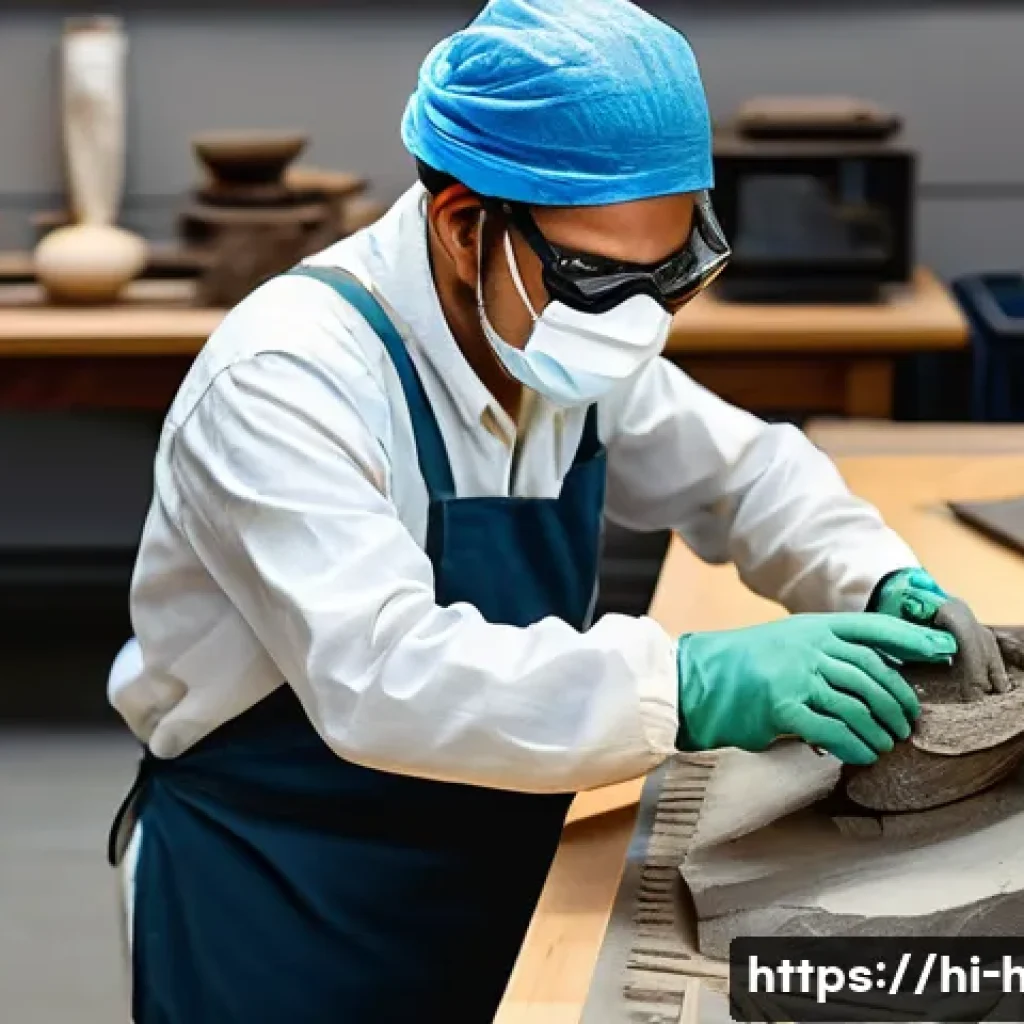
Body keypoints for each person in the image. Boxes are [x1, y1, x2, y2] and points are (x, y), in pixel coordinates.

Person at [107, 1, 991, 1021]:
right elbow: (384, 676)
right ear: (460, 224)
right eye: (603, 275)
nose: (638, 317)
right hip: (286, 890)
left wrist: (875, 575)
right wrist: (691, 678)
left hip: (489, 835)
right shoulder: (288, 378)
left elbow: (742, 476)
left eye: (673, 271)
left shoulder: (548, 326)